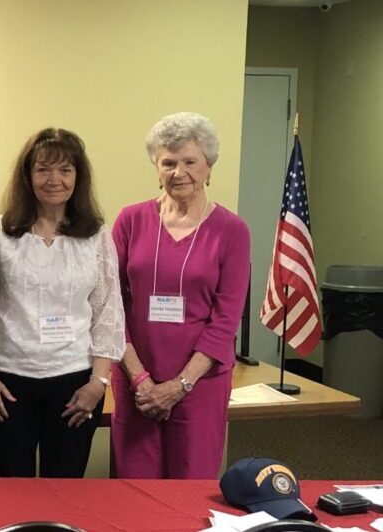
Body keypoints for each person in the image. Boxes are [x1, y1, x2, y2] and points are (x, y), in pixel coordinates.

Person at [0, 128, 125, 478]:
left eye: (65, 170)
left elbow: (108, 311)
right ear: (27, 176)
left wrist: (98, 384)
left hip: (75, 382)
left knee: (65, 489)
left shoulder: (96, 236)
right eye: (43, 169)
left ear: (78, 177)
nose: (54, 179)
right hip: (7, 382)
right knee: (10, 488)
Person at [111, 112, 250, 479]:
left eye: (190, 161)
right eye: (168, 163)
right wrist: (140, 380)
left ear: (209, 165)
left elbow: (226, 320)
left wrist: (180, 385)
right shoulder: (129, 221)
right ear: (156, 168)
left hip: (200, 383)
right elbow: (111, 306)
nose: (179, 172)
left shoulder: (232, 231)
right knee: (133, 488)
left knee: (190, 486)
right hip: (135, 378)